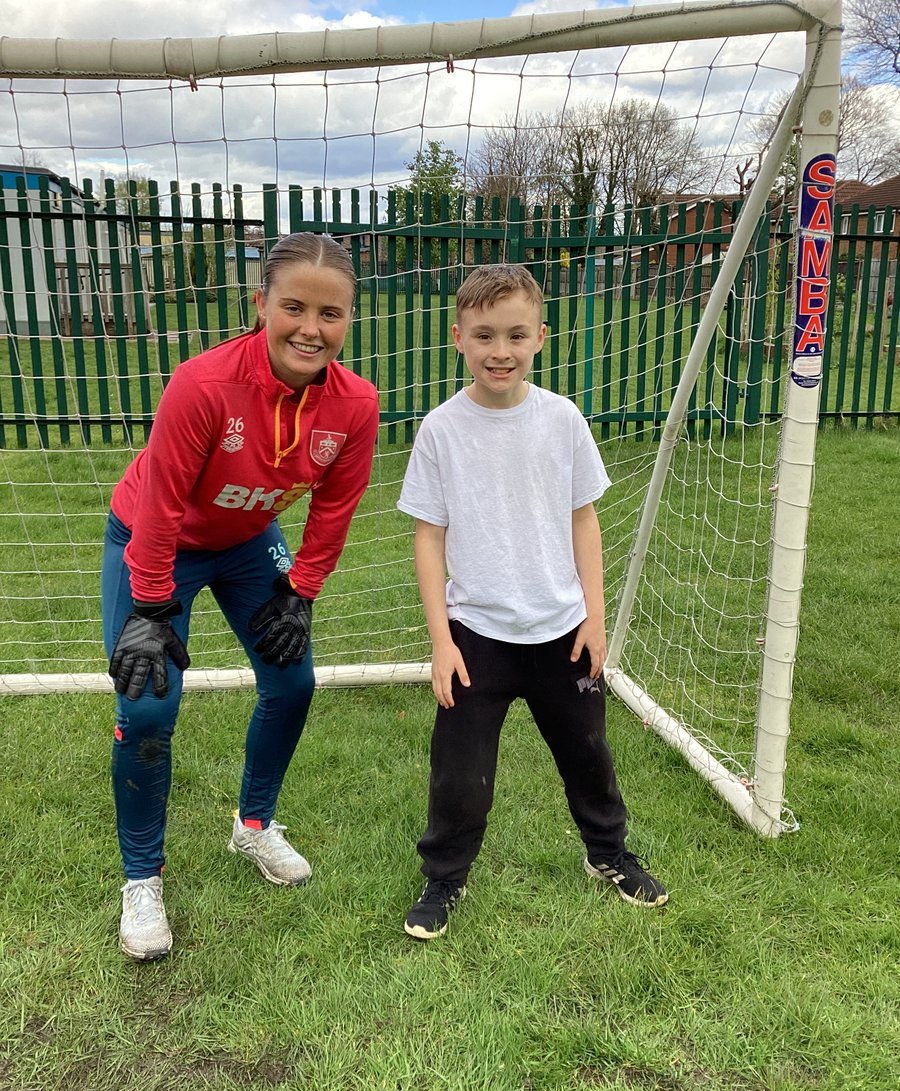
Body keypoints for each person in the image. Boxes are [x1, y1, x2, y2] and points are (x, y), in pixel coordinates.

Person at [103, 231, 380, 960]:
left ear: (350, 319)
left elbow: (335, 509)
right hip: (152, 539)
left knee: (292, 681)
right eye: (293, 307)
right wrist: (153, 606)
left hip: (247, 541)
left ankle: (253, 826)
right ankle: (142, 879)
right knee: (149, 703)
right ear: (260, 305)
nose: (310, 328)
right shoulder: (204, 384)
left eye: (331, 314)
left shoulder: (355, 406)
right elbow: (162, 505)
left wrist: (303, 591)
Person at [397, 263, 668, 940]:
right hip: (476, 636)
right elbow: (429, 538)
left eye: (516, 334)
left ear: (540, 337)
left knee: (588, 755)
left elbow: (584, 520)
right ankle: (444, 879)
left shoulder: (562, 420)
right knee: (459, 775)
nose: (500, 350)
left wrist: (594, 618)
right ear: (457, 336)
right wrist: (441, 639)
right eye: (484, 334)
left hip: (561, 632)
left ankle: (607, 854)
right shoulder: (440, 430)